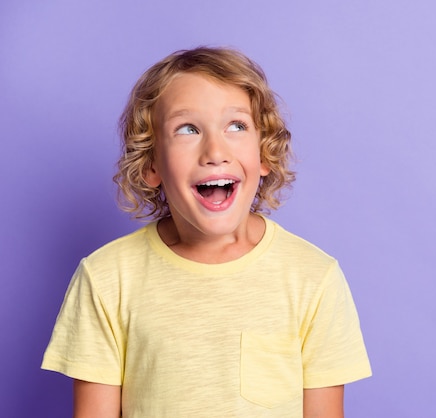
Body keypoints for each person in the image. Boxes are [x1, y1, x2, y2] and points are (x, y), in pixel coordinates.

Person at [42, 46, 371, 417]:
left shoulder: (314, 278)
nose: (215, 151)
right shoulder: (106, 278)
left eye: (236, 126)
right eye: (188, 129)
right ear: (152, 164)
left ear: (263, 154)